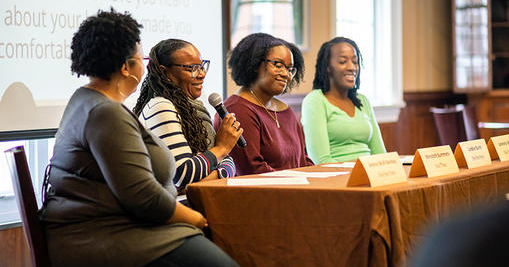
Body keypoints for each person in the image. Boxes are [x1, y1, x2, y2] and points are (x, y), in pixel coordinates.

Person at [41, 9, 244, 267]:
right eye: (141, 58)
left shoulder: (90, 102)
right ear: (126, 67)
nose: (144, 65)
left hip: (125, 228)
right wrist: (198, 219)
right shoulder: (105, 113)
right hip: (110, 239)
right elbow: (145, 199)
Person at [133, 39, 241, 190]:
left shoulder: (194, 109)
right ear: (165, 73)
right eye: (193, 68)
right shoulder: (161, 107)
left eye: (202, 66)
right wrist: (222, 148)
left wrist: (216, 167)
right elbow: (182, 175)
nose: (202, 74)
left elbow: (229, 163)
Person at [215, 33, 313, 175]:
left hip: (294, 191)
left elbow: (303, 160)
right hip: (263, 194)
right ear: (255, 64)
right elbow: (252, 170)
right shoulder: (237, 109)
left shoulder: (287, 111)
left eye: (290, 68)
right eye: (278, 65)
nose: (286, 74)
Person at [301, 37, 386, 164]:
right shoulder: (315, 101)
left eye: (355, 62)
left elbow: (380, 155)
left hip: (370, 174)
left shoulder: (362, 101)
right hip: (335, 178)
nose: (352, 67)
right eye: (342, 62)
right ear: (327, 67)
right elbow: (321, 161)